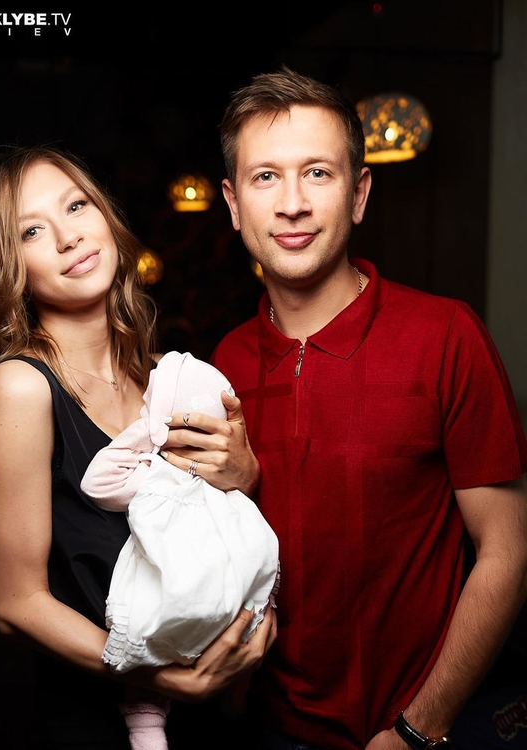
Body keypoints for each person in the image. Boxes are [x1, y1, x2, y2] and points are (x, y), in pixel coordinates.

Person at [209, 65, 527, 750]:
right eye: (265, 177)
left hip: (414, 730)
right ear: (234, 204)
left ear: (358, 194)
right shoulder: (221, 365)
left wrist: (418, 728)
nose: (292, 203)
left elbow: (507, 552)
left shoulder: (446, 336)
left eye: (317, 173)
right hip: (267, 730)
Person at [0, 144, 276, 750]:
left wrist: (243, 475)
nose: (68, 236)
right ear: (6, 267)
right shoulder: (21, 388)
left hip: (218, 714)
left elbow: (208, 521)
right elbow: (14, 603)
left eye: (76, 206)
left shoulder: (161, 375)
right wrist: (159, 678)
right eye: (31, 231)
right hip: (102, 723)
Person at [80, 349, 280, 750]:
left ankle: (147, 723)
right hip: (222, 596)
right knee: (252, 604)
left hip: (177, 595)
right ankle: (236, 697)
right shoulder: (228, 489)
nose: (142, 404)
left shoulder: (156, 478)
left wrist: (144, 433)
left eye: (149, 402)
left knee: (152, 641)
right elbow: (259, 546)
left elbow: (97, 484)